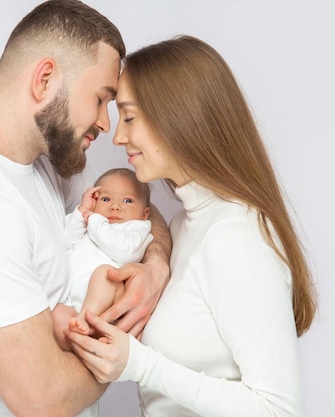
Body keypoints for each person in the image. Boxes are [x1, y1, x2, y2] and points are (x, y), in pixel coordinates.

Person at [0, 1, 171, 416]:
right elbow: (44, 399)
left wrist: (155, 267)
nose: (104, 124)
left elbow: (136, 207)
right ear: (45, 79)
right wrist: (122, 350)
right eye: (100, 100)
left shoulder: (47, 167)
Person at [65, 35, 318, 417]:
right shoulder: (185, 224)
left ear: (178, 115)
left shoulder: (236, 235)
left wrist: (142, 365)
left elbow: (277, 408)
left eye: (129, 117)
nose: (117, 137)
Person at [53, 168, 153, 350]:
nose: (115, 206)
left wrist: (95, 222)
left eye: (127, 200)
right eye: (105, 199)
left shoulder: (136, 229)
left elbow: (125, 252)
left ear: (144, 213)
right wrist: (82, 213)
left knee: (105, 274)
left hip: (106, 308)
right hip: (72, 305)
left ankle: (86, 323)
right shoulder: (91, 222)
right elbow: (66, 242)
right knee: (56, 314)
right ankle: (78, 343)